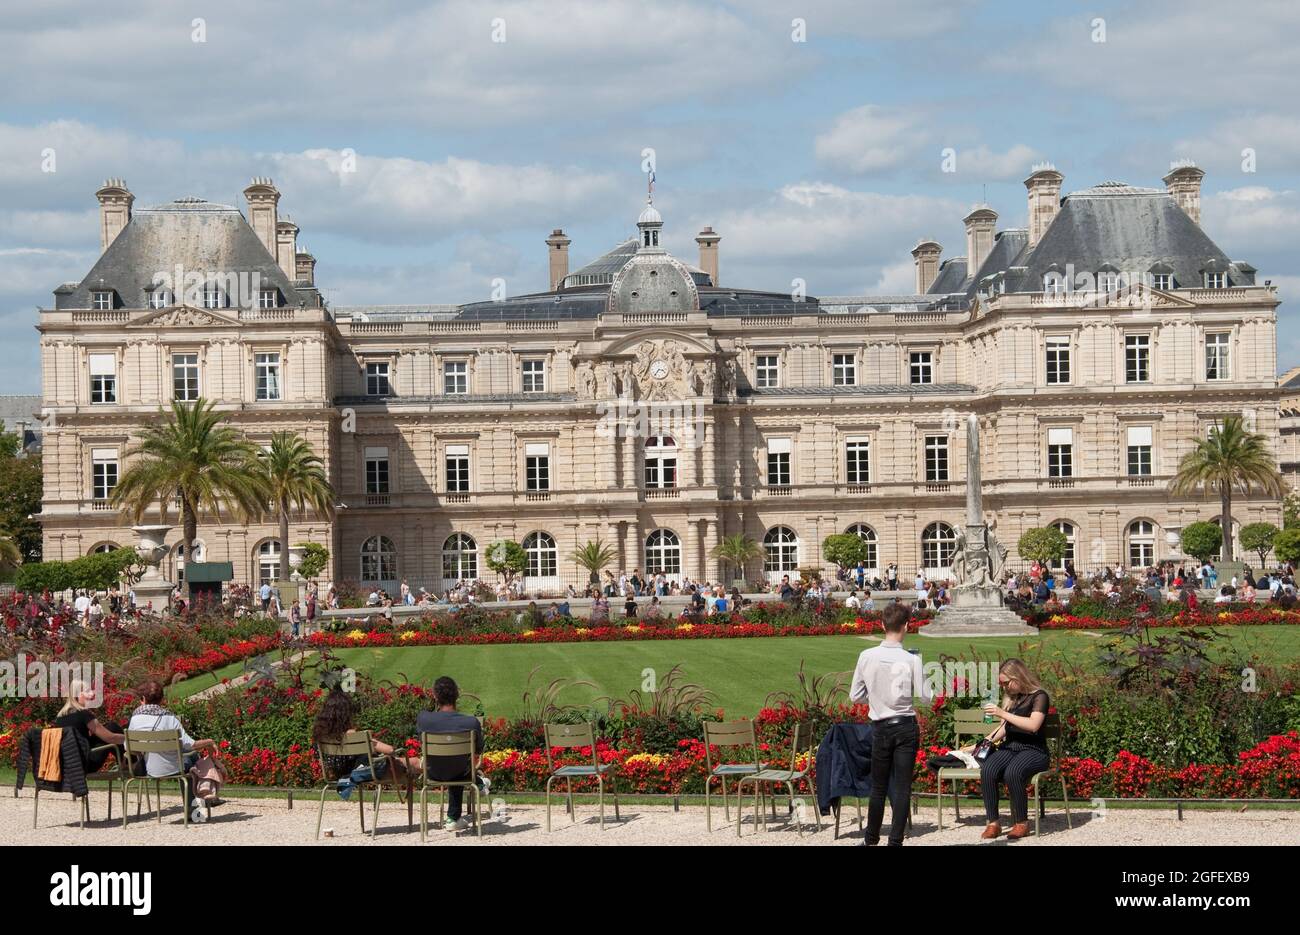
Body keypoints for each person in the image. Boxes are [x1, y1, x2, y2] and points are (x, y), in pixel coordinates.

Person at [850, 602, 932, 846]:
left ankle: (871, 838)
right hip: (905, 724)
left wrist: (874, 697)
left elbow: (855, 696)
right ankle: (895, 841)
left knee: (878, 786)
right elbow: (927, 696)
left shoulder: (866, 656)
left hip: (881, 725)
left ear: (882, 625)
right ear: (907, 626)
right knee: (902, 786)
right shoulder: (911, 659)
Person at [977, 660, 1052, 841]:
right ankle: (993, 822)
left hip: (1034, 750)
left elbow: (1033, 726)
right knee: (988, 769)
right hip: (1011, 748)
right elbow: (1003, 729)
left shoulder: (1039, 696)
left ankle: (1021, 823)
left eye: (1006, 683)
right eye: (1001, 684)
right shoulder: (1014, 698)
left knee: (1013, 772)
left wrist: (1002, 713)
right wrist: (979, 745)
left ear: (1018, 677)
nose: (1004, 688)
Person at [128, 680, 220, 819]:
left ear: (143, 699)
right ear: (162, 699)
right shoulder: (170, 718)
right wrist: (209, 741)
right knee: (192, 758)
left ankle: (200, 800)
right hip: (174, 768)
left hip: (149, 770)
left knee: (190, 758)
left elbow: (128, 748)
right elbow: (190, 745)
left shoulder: (135, 719)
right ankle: (199, 802)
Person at [312, 687, 416, 801]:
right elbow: (390, 750)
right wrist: (371, 740)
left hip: (340, 774)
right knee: (414, 763)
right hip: (365, 773)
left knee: (410, 764)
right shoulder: (353, 736)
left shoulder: (321, 736)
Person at [416, 677, 487, 832]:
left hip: (433, 772)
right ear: (457, 696)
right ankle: (480, 784)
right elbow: (479, 750)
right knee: (458, 766)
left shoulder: (423, 719)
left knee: (452, 764)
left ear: (435, 696)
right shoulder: (471, 722)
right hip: (461, 773)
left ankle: (454, 817)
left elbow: (419, 742)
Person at [55, 679, 126, 774]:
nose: (92, 694)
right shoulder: (83, 714)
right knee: (112, 727)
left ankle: (126, 763)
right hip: (85, 764)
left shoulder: (60, 717)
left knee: (109, 727)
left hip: (66, 764)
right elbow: (110, 738)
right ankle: (130, 763)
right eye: (88, 691)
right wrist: (129, 739)